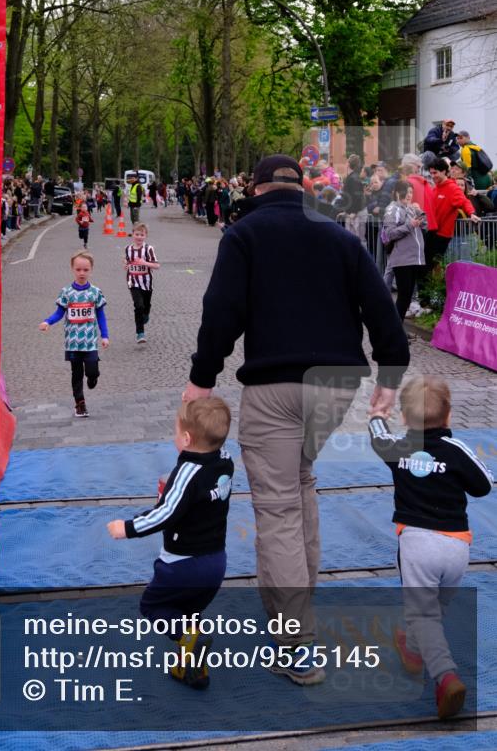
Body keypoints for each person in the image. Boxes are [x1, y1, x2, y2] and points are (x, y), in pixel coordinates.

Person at [183, 154, 409, 685]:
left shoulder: (243, 235)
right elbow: (382, 306)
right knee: (302, 481)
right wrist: (390, 376)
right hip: (337, 385)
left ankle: (296, 644)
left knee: (279, 508)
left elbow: (221, 312)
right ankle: (300, 600)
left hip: (274, 386)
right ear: (303, 188)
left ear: (257, 189)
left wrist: (202, 377)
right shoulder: (339, 237)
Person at [369, 376, 493, 720]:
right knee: (433, 607)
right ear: (450, 415)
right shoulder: (456, 451)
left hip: (417, 544)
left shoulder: (398, 446)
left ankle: (446, 676)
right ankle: (411, 644)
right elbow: (483, 485)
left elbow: (378, 439)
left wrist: (377, 415)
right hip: (456, 548)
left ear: (405, 419)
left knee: (423, 613)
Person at [107, 397, 234, 690]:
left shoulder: (187, 471)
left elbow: (165, 513)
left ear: (187, 439)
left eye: (176, 432)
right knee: (190, 613)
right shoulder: (225, 460)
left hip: (182, 563)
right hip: (215, 561)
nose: (174, 437)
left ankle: (191, 639)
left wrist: (126, 528)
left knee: (153, 607)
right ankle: (192, 671)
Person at [39, 251, 109, 418]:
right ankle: (80, 403)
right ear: (72, 269)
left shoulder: (95, 292)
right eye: (78, 269)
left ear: (91, 269)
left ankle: (92, 379)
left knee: (92, 370)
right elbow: (59, 313)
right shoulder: (66, 292)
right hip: (72, 342)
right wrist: (48, 322)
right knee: (76, 373)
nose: (82, 273)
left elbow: (101, 315)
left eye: (85, 269)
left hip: (90, 342)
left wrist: (104, 335)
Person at [381, 181, 427, 323]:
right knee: (404, 296)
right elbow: (390, 234)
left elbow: (426, 225)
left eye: (411, 192)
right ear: (397, 192)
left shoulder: (411, 208)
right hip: (402, 259)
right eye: (406, 192)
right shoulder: (392, 209)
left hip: (414, 258)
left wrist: (420, 213)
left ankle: (398, 329)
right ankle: (395, 329)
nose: (409, 195)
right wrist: (409, 225)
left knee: (406, 297)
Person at [427, 158, 480, 262]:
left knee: (432, 264)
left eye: (435, 173)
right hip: (432, 231)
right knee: (427, 264)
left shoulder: (453, 188)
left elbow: (465, 202)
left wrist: (472, 214)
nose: (433, 176)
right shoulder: (435, 188)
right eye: (431, 173)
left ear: (443, 172)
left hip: (442, 235)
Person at [124, 223, 160, 344]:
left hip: (147, 283)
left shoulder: (148, 249)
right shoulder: (128, 249)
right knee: (138, 306)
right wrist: (126, 265)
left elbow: (156, 265)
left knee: (145, 305)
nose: (139, 237)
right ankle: (140, 333)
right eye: (137, 234)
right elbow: (127, 262)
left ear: (146, 236)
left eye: (142, 235)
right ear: (132, 234)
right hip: (133, 282)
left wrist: (145, 263)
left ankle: (146, 314)